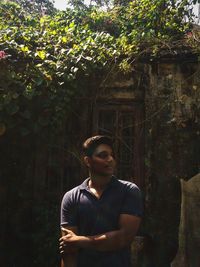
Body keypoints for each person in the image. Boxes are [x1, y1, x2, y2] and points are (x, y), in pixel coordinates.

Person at [59, 135, 143, 267]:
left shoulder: (129, 191)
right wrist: (75, 243)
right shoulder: (72, 197)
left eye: (111, 155)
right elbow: (69, 248)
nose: (110, 159)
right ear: (88, 161)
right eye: (103, 155)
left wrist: (81, 241)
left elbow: (123, 238)